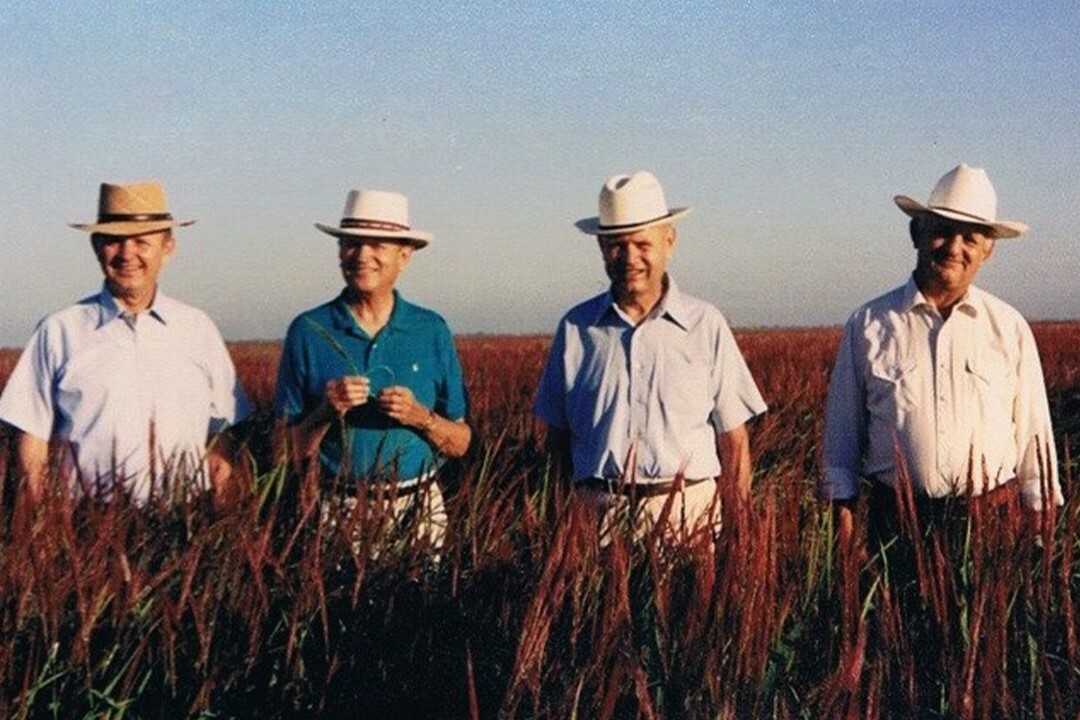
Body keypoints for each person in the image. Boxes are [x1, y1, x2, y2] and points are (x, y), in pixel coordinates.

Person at [822, 164, 1062, 544]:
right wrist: (848, 540)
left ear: (988, 250)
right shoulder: (867, 325)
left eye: (970, 238)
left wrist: (1038, 541)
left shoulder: (1009, 328)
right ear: (917, 233)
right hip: (895, 528)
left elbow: (1036, 444)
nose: (954, 248)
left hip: (992, 528)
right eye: (943, 232)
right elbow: (840, 449)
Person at [533, 170, 767, 538]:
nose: (630, 258)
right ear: (601, 249)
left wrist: (739, 533)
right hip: (598, 515)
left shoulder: (705, 324)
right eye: (616, 245)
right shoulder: (576, 329)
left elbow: (734, 441)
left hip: (688, 515)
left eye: (643, 245)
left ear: (669, 241)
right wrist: (560, 525)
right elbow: (556, 443)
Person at [0, 181, 250, 505]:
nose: (127, 254)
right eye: (114, 241)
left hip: (184, 522)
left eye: (141, 242)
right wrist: (39, 527)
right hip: (84, 526)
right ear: (96, 247)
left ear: (168, 247)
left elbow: (221, 439)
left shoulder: (198, 329)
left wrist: (223, 524)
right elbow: (31, 442)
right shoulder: (58, 331)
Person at [274, 188, 470, 547]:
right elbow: (281, 451)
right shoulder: (309, 330)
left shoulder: (431, 330)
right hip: (336, 507)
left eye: (377, 245)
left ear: (404, 256)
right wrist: (323, 412)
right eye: (351, 244)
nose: (362, 256)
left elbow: (460, 442)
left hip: (419, 509)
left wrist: (417, 416)